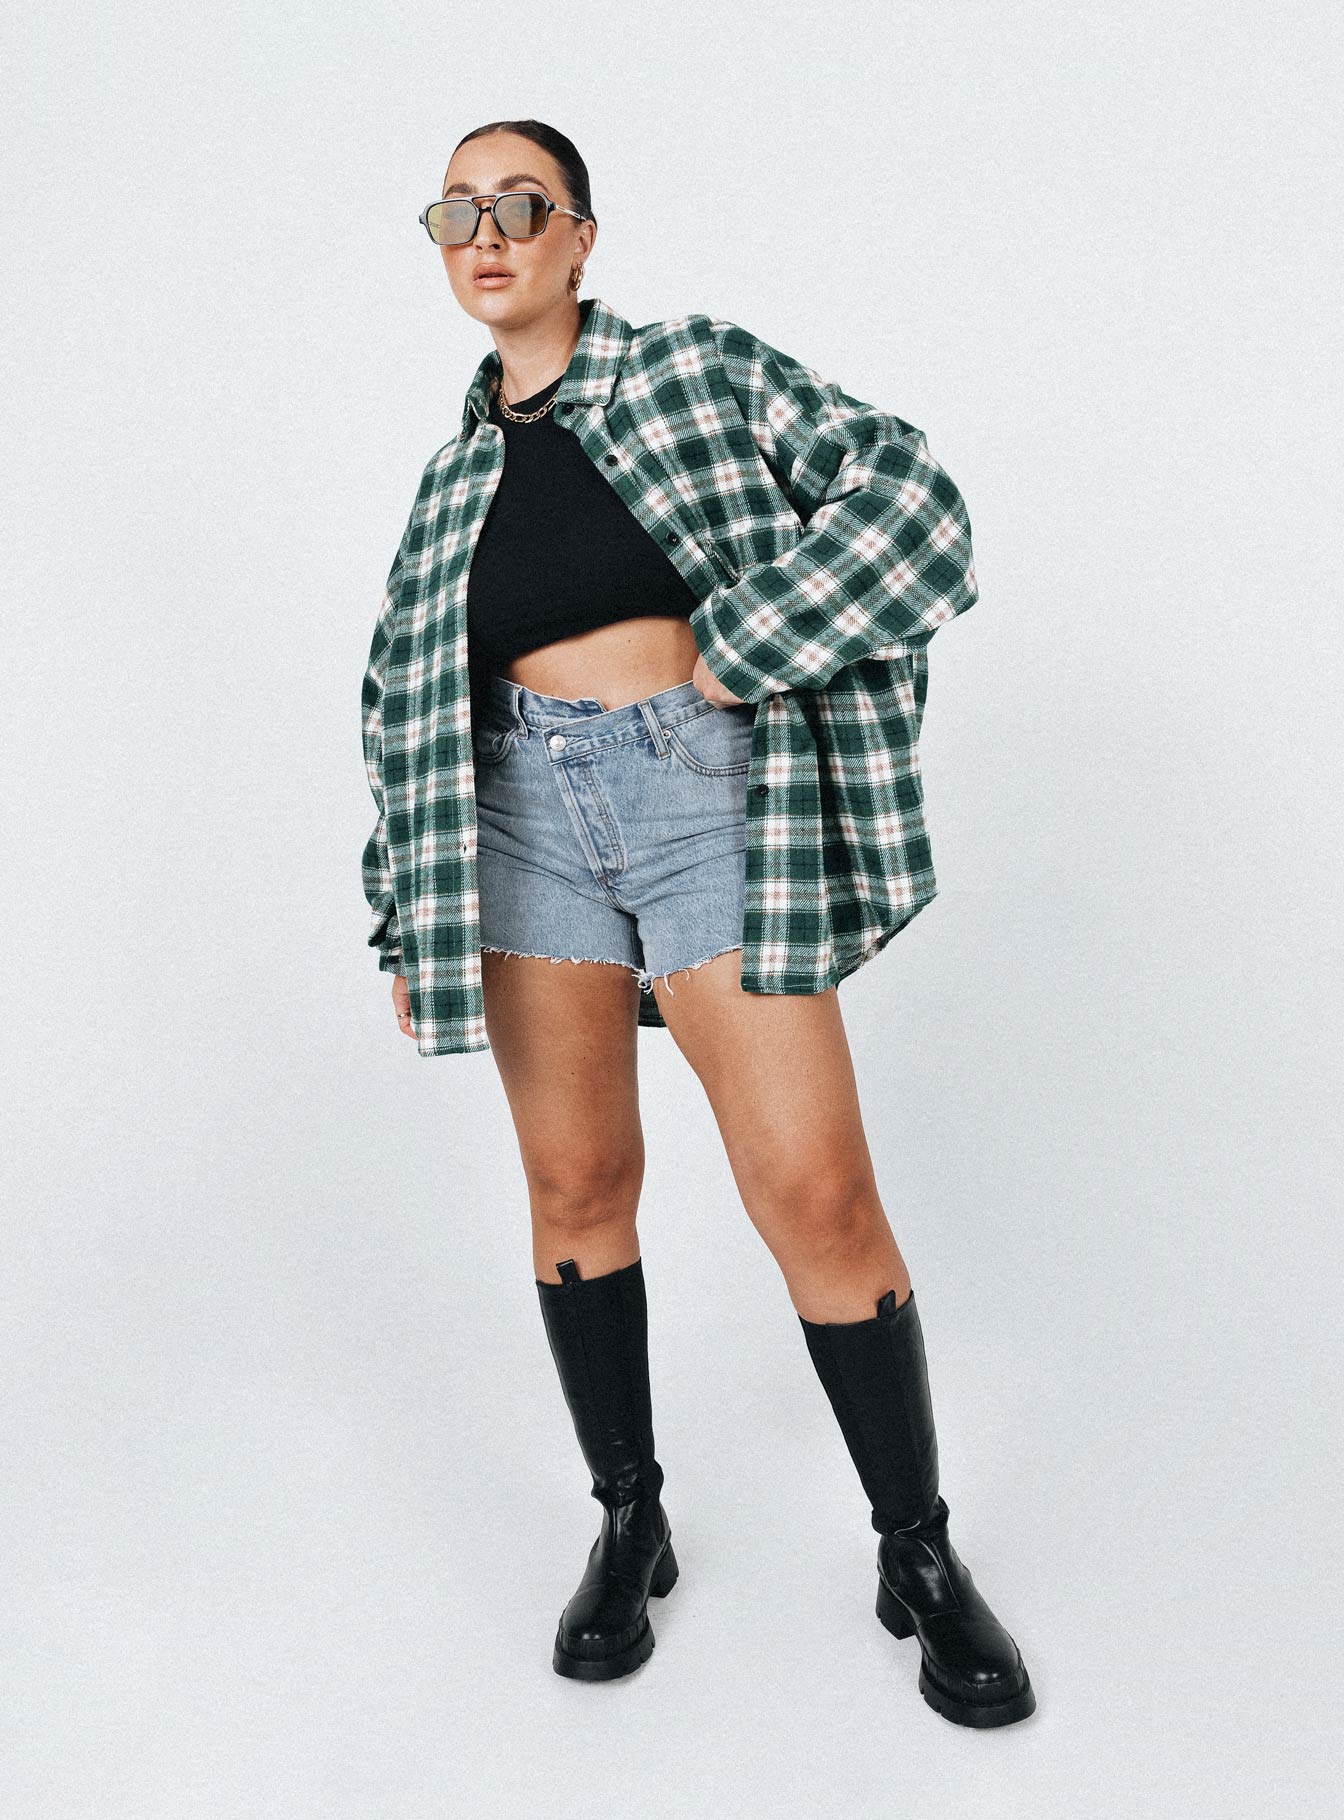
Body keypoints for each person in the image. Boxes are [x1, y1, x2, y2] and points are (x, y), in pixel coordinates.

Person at [360, 117, 1036, 1725]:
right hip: (518, 827)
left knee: (814, 1188)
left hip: (699, 796)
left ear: (581, 235)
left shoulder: (696, 373)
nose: (486, 232)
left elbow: (913, 497)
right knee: (576, 1182)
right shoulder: (447, 484)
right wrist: (404, 912)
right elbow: (399, 697)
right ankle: (630, 1520)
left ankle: (919, 1550)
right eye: (457, 211)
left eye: (521, 203)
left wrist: (751, 641)